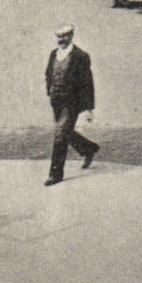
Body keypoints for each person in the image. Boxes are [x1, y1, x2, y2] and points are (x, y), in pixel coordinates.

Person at [44, 25, 98, 186]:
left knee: (60, 135)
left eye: (65, 36)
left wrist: (89, 108)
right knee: (65, 132)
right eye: (59, 37)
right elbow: (49, 73)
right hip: (56, 100)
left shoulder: (80, 56)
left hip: (72, 102)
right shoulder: (54, 54)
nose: (61, 40)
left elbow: (87, 82)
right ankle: (88, 148)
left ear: (72, 36)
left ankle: (55, 174)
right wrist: (50, 90)